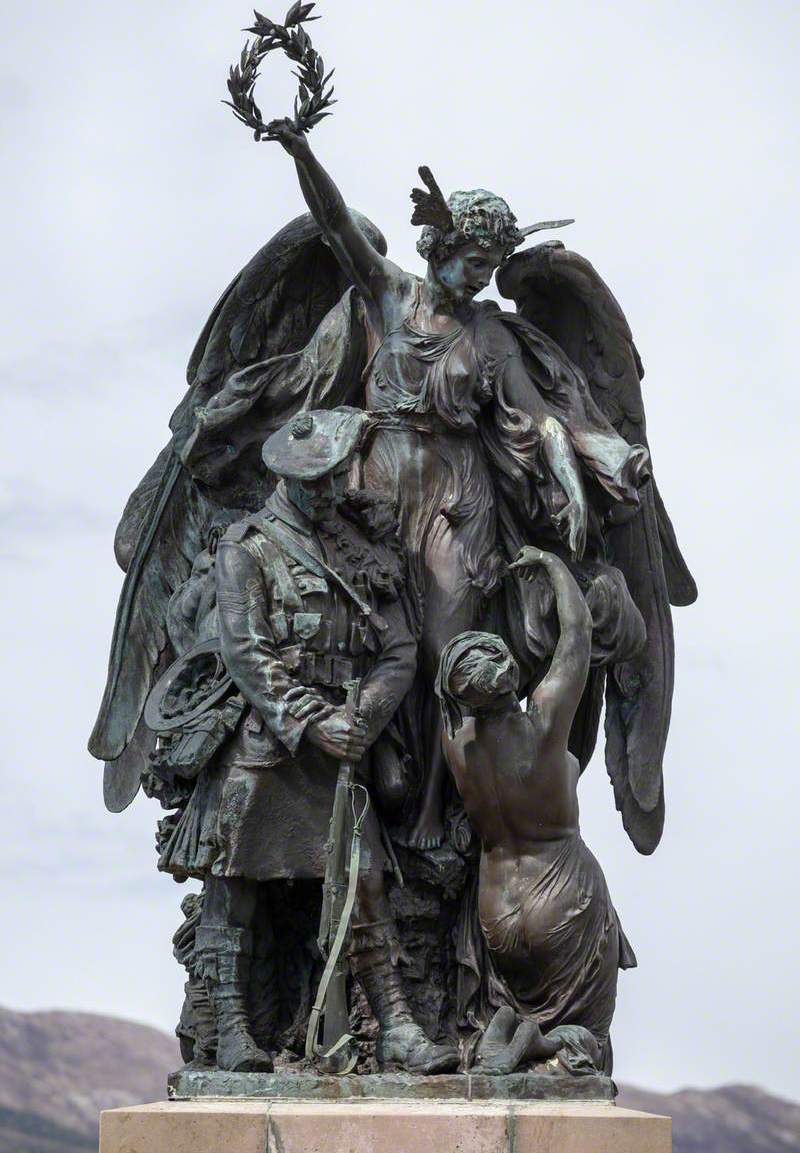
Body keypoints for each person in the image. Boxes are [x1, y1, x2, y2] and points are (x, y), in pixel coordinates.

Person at [266, 122, 651, 850]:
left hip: (454, 501)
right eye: (474, 259)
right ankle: (363, 783)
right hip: (371, 490)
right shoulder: (391, 296)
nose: (480, 275)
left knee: (449, 646)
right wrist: (300, 150)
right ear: (441, 248)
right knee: (363, 635)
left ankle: (447, 809)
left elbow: (538, 424)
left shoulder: (493, 337)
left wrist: (569, 481)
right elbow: (335, 223)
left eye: (491, 264)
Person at [160, 407, 458, 1074]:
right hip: (269, 746)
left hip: (344, 751)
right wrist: (314, 720)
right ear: (289, 479)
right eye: (316, 481)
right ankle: (233, 1030)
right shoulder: (249, 545)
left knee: (368, 884)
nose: (328, 491)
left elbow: (399, 648)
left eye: (334, 477)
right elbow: (247, 650)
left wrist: (365, 719)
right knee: (235, 889)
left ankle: (396, 1028)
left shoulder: (361, 547)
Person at [435, 546, 636, 1074]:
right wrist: (552, 564)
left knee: (521, 1003)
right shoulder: (542, 723)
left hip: (495, 911)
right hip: (563, 898)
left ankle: (506, 1026)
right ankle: (539, 1043)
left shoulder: (456, 742)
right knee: (587, 1033)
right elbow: (577, 637)